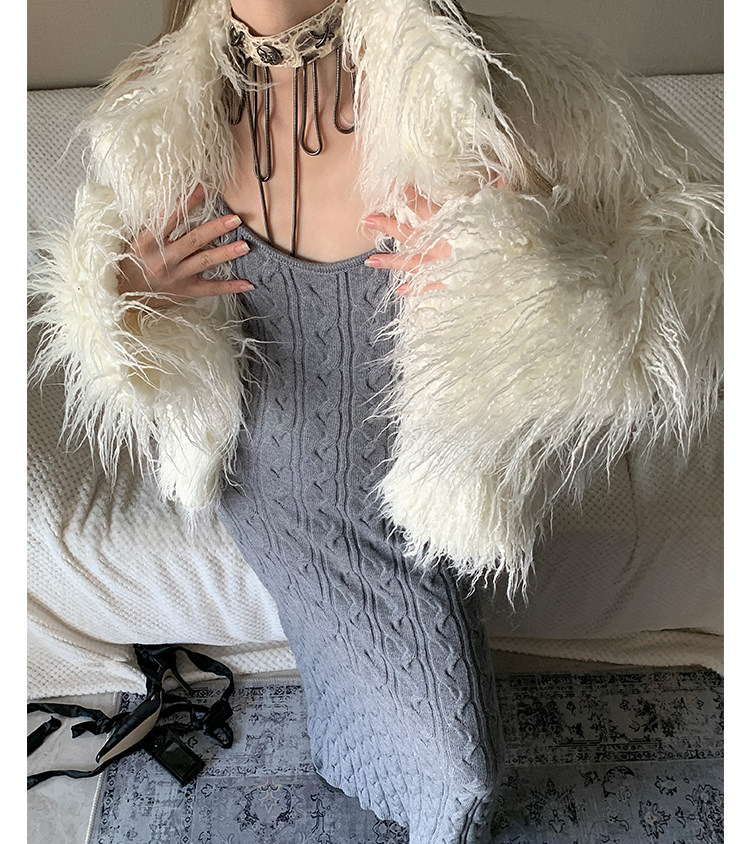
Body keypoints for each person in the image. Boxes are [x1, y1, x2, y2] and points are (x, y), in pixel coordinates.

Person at [29, 0, 723, 841]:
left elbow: (693, 257)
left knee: (462, 771)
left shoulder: (477, 89)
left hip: (408, 502)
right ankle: (343, 748)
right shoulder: (159, 115)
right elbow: (106, 325)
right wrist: (125, 297)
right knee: (343, 676)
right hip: (266, 487)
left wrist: (530, 268)